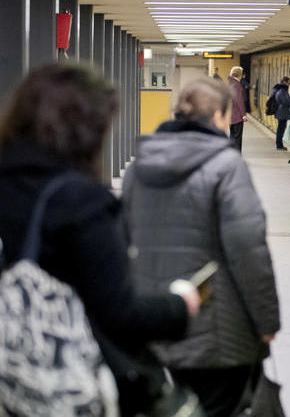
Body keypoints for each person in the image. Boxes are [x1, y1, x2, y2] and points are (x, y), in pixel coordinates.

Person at [0, 65, 200, 417]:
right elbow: (121, 314)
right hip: (63, 379)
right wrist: (181, 306)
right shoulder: (79, 202)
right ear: (84, 131)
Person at [123, 77, 281, 417]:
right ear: (220, 117)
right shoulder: (227, 167)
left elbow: (125, 243)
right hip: (218, 335)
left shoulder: (139, 169)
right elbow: (249, 249)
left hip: (156, 324)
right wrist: (267, 322)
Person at [227, 66, 248, 151]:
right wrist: (243, 115)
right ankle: (236, 157)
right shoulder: (237, 85)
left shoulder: (229, 83)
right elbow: (240, 101)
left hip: (231, 116)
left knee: (232, 137)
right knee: (237, 138)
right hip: (237, 116)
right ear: (239, 74)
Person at [271, 76, 290, 151]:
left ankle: (279, 144)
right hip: (282, 113)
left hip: (282, 113)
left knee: (281, 129)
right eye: (288, 82)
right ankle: (279, 145)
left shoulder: (281, 90)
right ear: (284, 82)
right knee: (281, 129)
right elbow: (286, 102)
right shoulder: (282, 91)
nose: (289, 84)